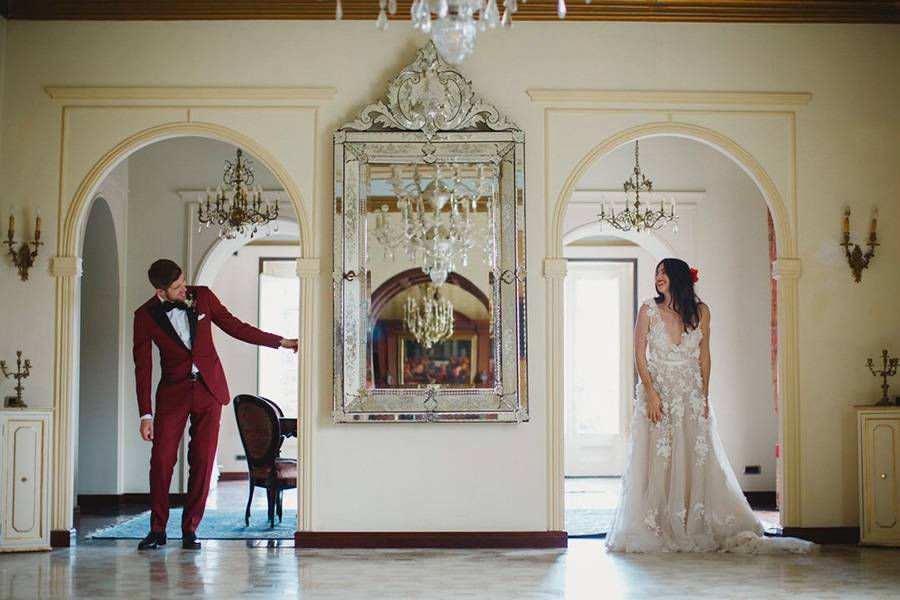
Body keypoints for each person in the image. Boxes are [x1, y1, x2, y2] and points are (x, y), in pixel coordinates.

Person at [606, 258, 816, 554]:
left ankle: (695, 522)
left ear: (679, 277)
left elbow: (705, 356)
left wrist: (703, 397)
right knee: (658, 459)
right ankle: (658, 524)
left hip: (690, 395)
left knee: (694, 458)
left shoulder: (701, 312)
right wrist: (651, 393)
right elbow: (639, 355)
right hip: (658, 395)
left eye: (664, 272)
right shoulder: (647, 310)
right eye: (656, 274)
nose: (658, 278)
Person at [133, 259, 298, 550]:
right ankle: (157, 530)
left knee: (203, 461)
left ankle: (190, 529)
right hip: (173, 393)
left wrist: (282, 342)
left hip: (210, 390)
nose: (185, 289)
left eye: (183, 282)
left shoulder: (204, 296)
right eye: (177, 287)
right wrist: (145, 414)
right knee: (160, 460)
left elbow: (237, 327)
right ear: (161, 291)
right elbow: (142, 367)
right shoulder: (145, 316)